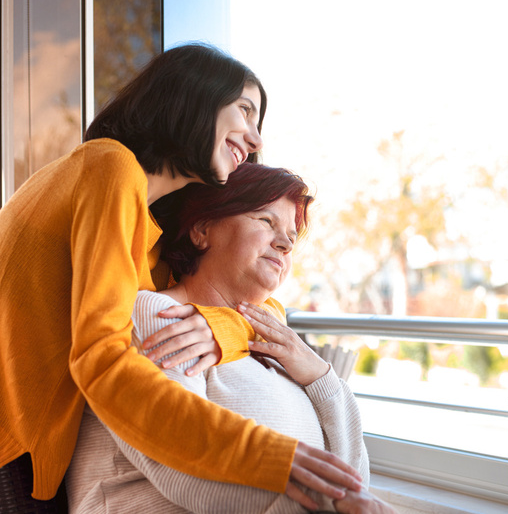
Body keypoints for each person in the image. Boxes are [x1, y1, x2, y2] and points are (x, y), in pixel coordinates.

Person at [0, 44, 360, 511]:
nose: (254, 140)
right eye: (245, 112)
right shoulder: (109, 168)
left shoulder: (146, 235)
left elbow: (252, 307)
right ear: (193, 98)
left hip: (34, 452)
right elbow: (101, 359)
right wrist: (272, 460)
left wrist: (223, 326)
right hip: (13, 452)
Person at [66, 162, 396, 513]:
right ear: (202, 229)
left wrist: (318, 374)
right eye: (266, 221)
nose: (285, 243)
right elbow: (183, 469)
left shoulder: (270, 335)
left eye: (292, 235)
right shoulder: (160, 315)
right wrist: (325, 500)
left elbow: (353, 478)